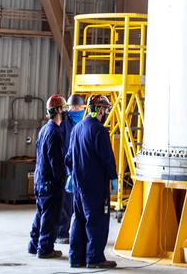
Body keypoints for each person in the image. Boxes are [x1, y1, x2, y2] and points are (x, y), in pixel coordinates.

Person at [65, 95, 118, 270]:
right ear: (100, 109)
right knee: (97, 222)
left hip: (79, 186)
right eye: (105, 109)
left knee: (78, 220)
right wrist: (113, 177)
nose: (105, 113)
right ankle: (94, 258)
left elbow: (68, 158)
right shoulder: (99, 131)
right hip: (95, 186)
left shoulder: (77, 128)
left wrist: (72, 175)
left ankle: (76, 259)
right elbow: (107, 158)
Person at [27, 94, 67, 260]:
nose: (65, 112)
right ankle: (45, 249)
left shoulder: (44, 129)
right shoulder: (55, 133)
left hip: (40, 180)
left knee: (41, 213)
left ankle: (34, 245)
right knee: (50, 217)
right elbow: (55, 160)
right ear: (58, 110)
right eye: (64, 109)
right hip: (51, 182)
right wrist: (62, 180)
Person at [57, 94, 87, 243]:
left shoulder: (83, 123)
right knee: (66, 202)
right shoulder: (64, 123)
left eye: (79, 107)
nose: (76, 109)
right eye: (73, 107)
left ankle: (75, 232)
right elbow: (64, 148)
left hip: (78, 167)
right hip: (66, 167)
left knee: (77, 203)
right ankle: (61, 232)